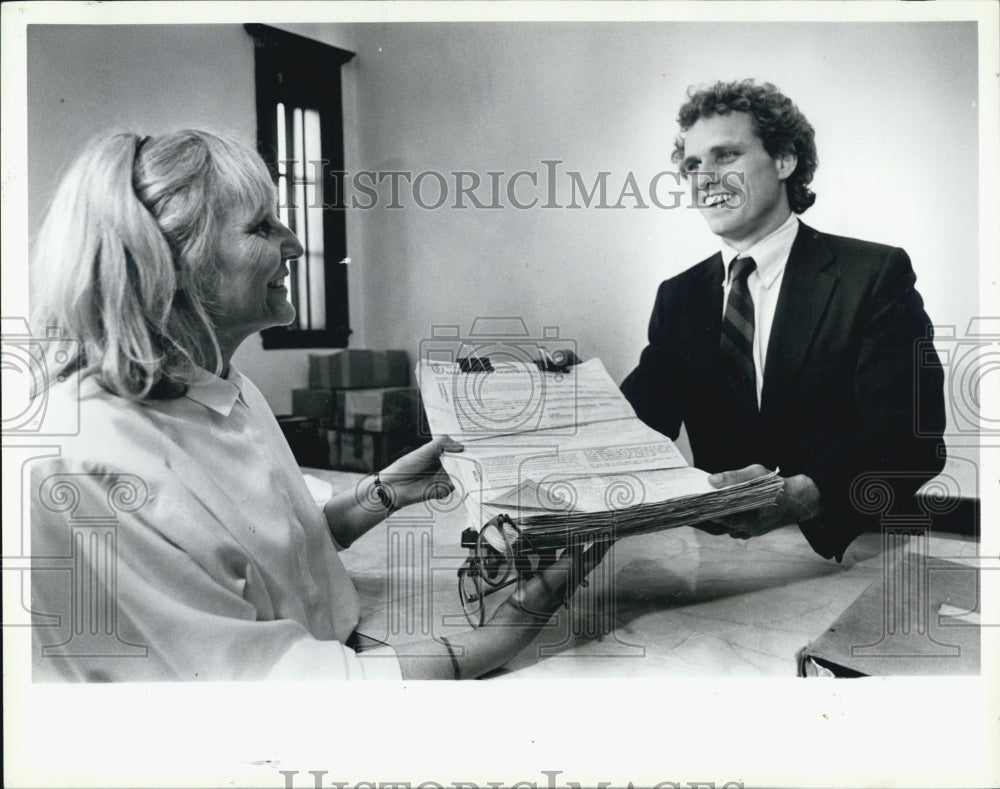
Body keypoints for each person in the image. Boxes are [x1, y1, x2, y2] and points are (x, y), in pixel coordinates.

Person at [29, 129, 606, 681]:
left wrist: (380, 494)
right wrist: (506, 631)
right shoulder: (87, 461)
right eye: (260, 227)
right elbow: (278, 694)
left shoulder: (224, 386)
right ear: (177, 268)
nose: (296, 244)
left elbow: (252, 557)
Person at [620, 80, 946, 561]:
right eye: (692, 165)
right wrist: (551, 402)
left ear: (784, 160)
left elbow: (912, 437)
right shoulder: (679, 297)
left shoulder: (873, 275)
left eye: (725, 156)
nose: (703, 178)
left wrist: (802, 495)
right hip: (715, 562)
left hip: (849, 549)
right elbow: (635, 430)